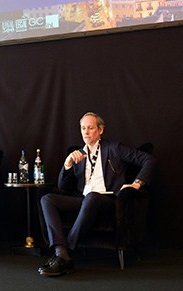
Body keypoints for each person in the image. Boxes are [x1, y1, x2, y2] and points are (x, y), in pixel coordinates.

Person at [38, 112, 156, 277]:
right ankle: (61, 252)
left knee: (92, 196)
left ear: (100, 130)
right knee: (47, 199)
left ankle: (64, 255)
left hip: (108, 200)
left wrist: (137, 183)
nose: (86, 132)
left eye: (90, 128)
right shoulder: (78, 154)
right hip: (84, 200)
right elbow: (63, 187)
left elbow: (148, 160)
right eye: (83, 128)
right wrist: (67, 165)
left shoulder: (114, 148)